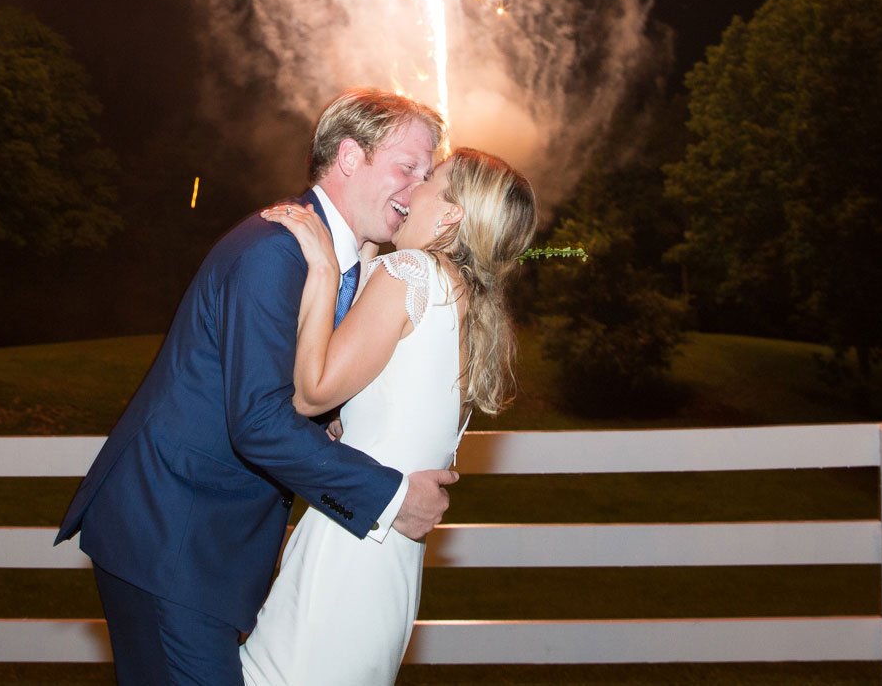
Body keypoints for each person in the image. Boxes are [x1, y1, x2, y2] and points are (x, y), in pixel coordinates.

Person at [56, 89, 462, 684]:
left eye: (427, 177)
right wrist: (394, 498)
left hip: (206, 547)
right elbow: (259, 422)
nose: (416, 191)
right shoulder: (277, 249)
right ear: (349, 157)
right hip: (172, 541)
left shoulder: (345, 264)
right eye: (406, 169)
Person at [239, 147, 538, 686]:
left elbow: (311, 393)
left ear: (450, 214)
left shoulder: (411, 271)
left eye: (430, 180)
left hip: (349, 546)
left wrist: (325, 268)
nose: (412, 189)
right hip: (393, 561)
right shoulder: (467, 302)